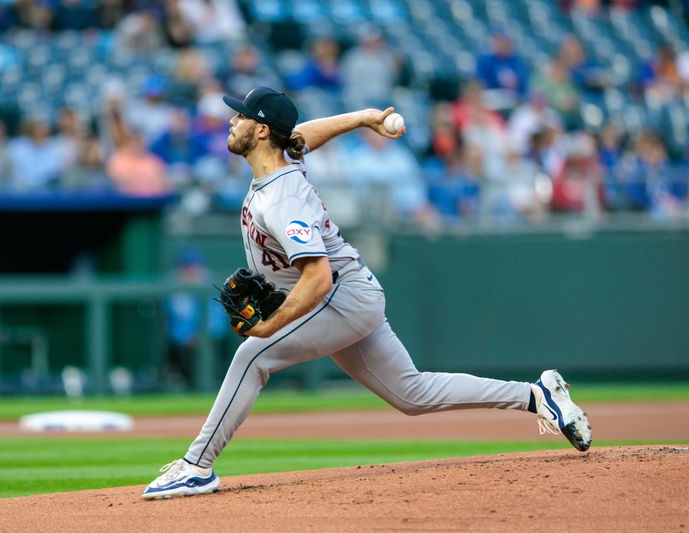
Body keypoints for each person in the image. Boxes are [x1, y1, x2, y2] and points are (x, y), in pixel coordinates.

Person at [141, 87, 593, 500]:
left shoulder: (282, 199)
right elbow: (302, 135)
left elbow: (316, 279)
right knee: (413, 395)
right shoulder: (284, 159)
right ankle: (537, 396)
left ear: (261, 132)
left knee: (253, 356)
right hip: (351, 293)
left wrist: (268, 326)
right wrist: (362, 117)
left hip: (340, 296)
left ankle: (197, 465)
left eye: (239, 116)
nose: (231, 121)